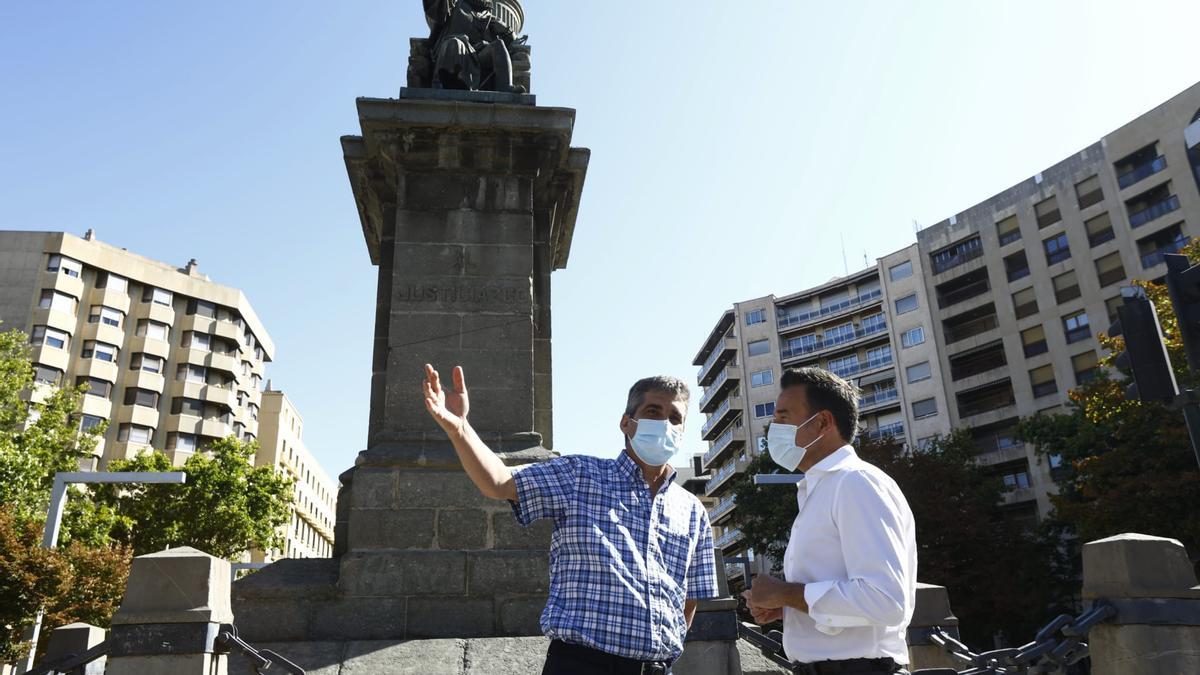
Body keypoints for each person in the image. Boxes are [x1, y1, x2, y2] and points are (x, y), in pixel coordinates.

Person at [422, 365, 719, 675]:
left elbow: (689, 599)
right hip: (582, 664)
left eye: (674, 418)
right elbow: (498, 482)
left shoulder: (693, 510)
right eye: (653, 411)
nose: (664, 424)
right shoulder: (579, 475)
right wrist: (460, 428)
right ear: (626, 422)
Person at [741, 367, 917, 675]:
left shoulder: (855, 483)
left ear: (822, 422)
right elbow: (846, 595)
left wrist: (787, 594)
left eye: (783, 416)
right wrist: (787, 608)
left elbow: (886, 599)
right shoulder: (822, 488)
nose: (773, 427)